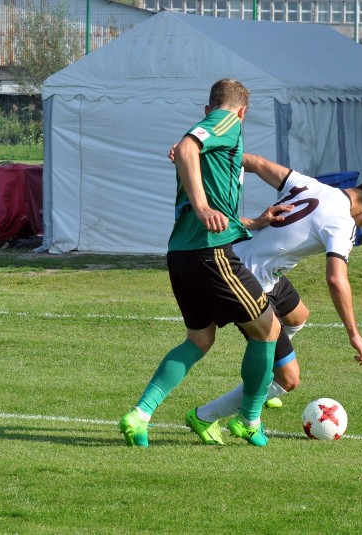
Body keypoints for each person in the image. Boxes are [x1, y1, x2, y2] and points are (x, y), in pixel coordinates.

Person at [184, 152, 362, 445]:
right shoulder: (343, 224)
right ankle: (208, 415)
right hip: (249, 281)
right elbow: (336, 279)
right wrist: (354, 333)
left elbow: (255, 163)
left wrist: (203, 158)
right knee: (289, 379)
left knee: (298, 315)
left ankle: (262, 378)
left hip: (252, 265)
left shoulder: (310, 185)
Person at [118, 78, 282, 448]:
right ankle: (249, 419)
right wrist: (204, 206)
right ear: (243, 112)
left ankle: (140, 414)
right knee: (268, 331)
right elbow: (189, 145)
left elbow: (197, 167)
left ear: (206, 108)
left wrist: (255, 221)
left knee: (199, 339)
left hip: (182, 255)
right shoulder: (228, 122)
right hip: (211, 254)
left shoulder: (214, 148)